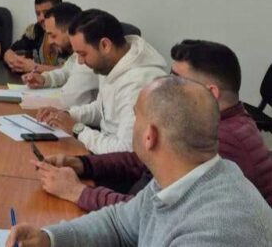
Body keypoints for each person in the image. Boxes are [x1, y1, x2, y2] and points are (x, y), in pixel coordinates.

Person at [6, 76, 272, 247]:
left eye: (136, 116)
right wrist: (50, 238)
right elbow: (119, 223)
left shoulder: (217, 230)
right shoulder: (180, 178)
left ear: (149, 136)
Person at [33, 39, 272, 210]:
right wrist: (83, 164)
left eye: (177, 81)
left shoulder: (222, 143)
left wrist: (78, 192)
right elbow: (143, 160)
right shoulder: (200, 123)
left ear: (210, 93)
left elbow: (153, 213)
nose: (166, 87)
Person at [37, 9, 166, 154]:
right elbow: (101, 109)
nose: (80, 61)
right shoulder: (111, 63)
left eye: (83, 54)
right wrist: (67, 115)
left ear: (105, 45)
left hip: (118, 161)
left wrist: (77, 129)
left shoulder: (138, 83)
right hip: (103, 149)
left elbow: (126, 151)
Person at [22, 2, 99, 108]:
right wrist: (44, 79)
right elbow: (65, 71)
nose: (49, 42)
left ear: (70, 31)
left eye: (53, 35)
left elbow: (68, 101)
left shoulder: (88, 59)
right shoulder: (77, 55)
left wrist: (28, 101)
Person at [5, 0, 63, 74]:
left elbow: (71, 72)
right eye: (38, 14)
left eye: (46, 13)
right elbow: (9, 51)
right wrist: (14, 62)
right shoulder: (36, 30)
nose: (41, 18)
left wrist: (35, 67)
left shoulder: (71, 36)